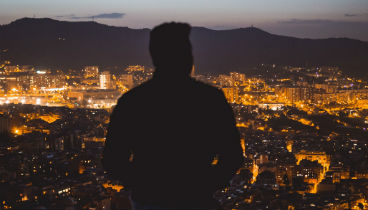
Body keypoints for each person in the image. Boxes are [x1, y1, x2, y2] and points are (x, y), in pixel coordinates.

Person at [102, 22, 243, 210]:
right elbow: (232, 156)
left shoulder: (133, 101)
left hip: (148, 201)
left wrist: (145, 182)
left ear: (155, 57)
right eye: (186, 51)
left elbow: (112, 160)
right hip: (197, 200)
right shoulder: (210, 99)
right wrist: (203, 184)